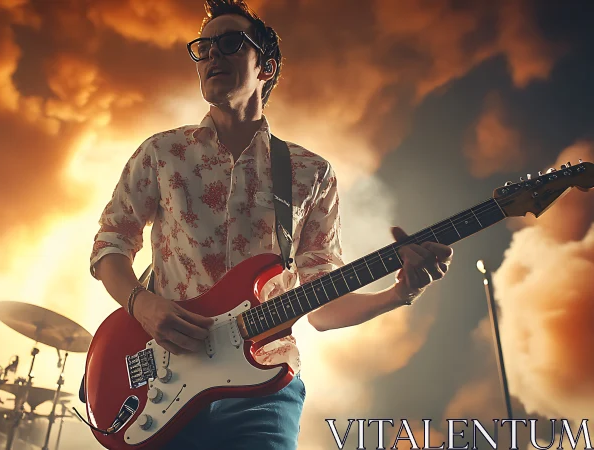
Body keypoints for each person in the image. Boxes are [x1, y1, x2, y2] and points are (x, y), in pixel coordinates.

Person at [88, 0, 453, 448]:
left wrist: (399, 293)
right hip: (164, 382)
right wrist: (141, 304)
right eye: (204, 47)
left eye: (230, 43)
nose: (212, 54)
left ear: (267, 67)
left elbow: (322, 306)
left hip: (263, 390)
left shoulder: (310, 173)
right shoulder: (162, 153)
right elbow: (110, 244)